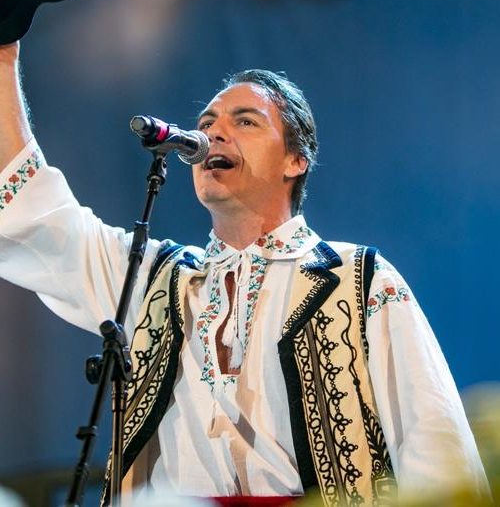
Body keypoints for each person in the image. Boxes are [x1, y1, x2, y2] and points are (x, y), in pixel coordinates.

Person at [0, 41, 490, 506]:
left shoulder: (357, 279)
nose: (213, 133)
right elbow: (34, 214)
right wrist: (4, 56)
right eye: (206, 123)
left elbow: (435, 443)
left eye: (246, 121)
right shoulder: (154, 279)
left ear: (296, 160)